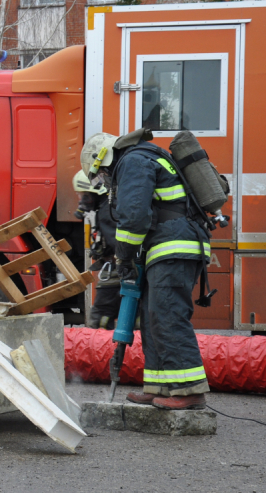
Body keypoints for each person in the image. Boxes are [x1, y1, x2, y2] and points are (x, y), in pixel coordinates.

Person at [82, 129, 211, 410]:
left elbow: (134, 217)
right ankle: (159, 386)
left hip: (174, 248)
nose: (104, 179)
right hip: (167, 247)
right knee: (153, 317)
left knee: (168, 315)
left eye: (102, 173)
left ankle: (188, 390)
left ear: (104, 157)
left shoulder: (133, 161)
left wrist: (124, 259)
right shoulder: (144, 157)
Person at [72, 170, 121, 330]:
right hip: (121, 269)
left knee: (101, 313)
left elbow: (117, 243)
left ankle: (99, 346)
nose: (81, 200)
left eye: (83, 195)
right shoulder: (109, 205)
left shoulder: (107, 212)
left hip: (117, 270)